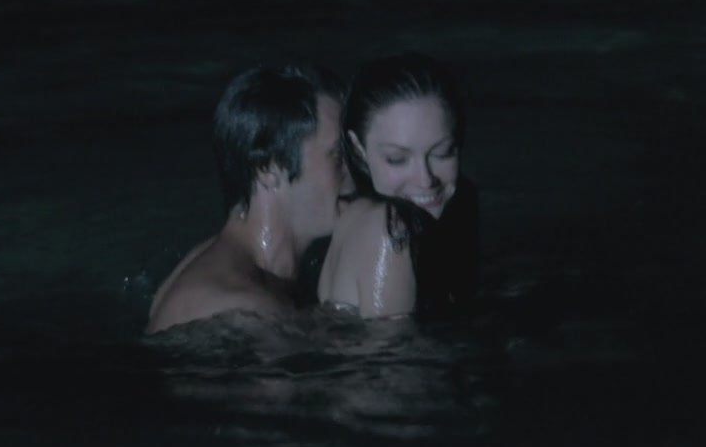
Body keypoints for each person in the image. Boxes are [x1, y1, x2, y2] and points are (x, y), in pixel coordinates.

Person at [146, 65, 347, 333]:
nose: (355, 170)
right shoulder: (247, 312)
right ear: (268, 168)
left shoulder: (228, 266)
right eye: (338, 155)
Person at [318, 52, 478, 318]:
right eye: (397, 159)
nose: (425, 179)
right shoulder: (391, 230)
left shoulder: (356, 215)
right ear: (358, 149)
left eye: (442, 153)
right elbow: (388, 345)